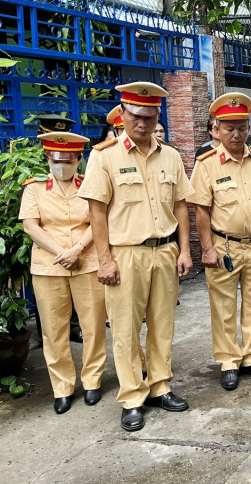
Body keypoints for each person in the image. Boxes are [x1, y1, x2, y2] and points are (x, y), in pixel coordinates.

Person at [79, 81, 195, 432]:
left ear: (157, 114)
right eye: (135, 115)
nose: (142, 123)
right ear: (123, 114)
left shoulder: (171, 156)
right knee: (126, 329)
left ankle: (160, 386)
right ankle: (132, 396)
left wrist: (185, 249)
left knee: (163, 324)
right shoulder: (105, 155)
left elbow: (180, 205)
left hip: (165, 251)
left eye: (149, 116)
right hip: (125, 254)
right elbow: (97, 212)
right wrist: (104, 259)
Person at [189, 93, 251, 391]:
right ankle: (229, 361)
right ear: (216, 129)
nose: (237, 133)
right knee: (224, 306)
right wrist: (206, 248)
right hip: (223, 245)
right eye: (229, 127)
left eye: (241, 127)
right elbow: (201, 210)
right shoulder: (206, 164)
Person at [19, 131, 106, 415]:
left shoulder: (89, 186)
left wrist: (77, 250)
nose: (62, 166)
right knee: (54, 330)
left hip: (87, 262)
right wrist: (62, 252)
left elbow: (98, 220)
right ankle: (62, 387)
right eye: (56, 160)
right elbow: (31, 226)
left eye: (68, 160)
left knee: (93, 324)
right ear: (48, 158)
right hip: (49, 267)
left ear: (79, 159)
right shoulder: (34, 188)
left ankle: (92, 380)